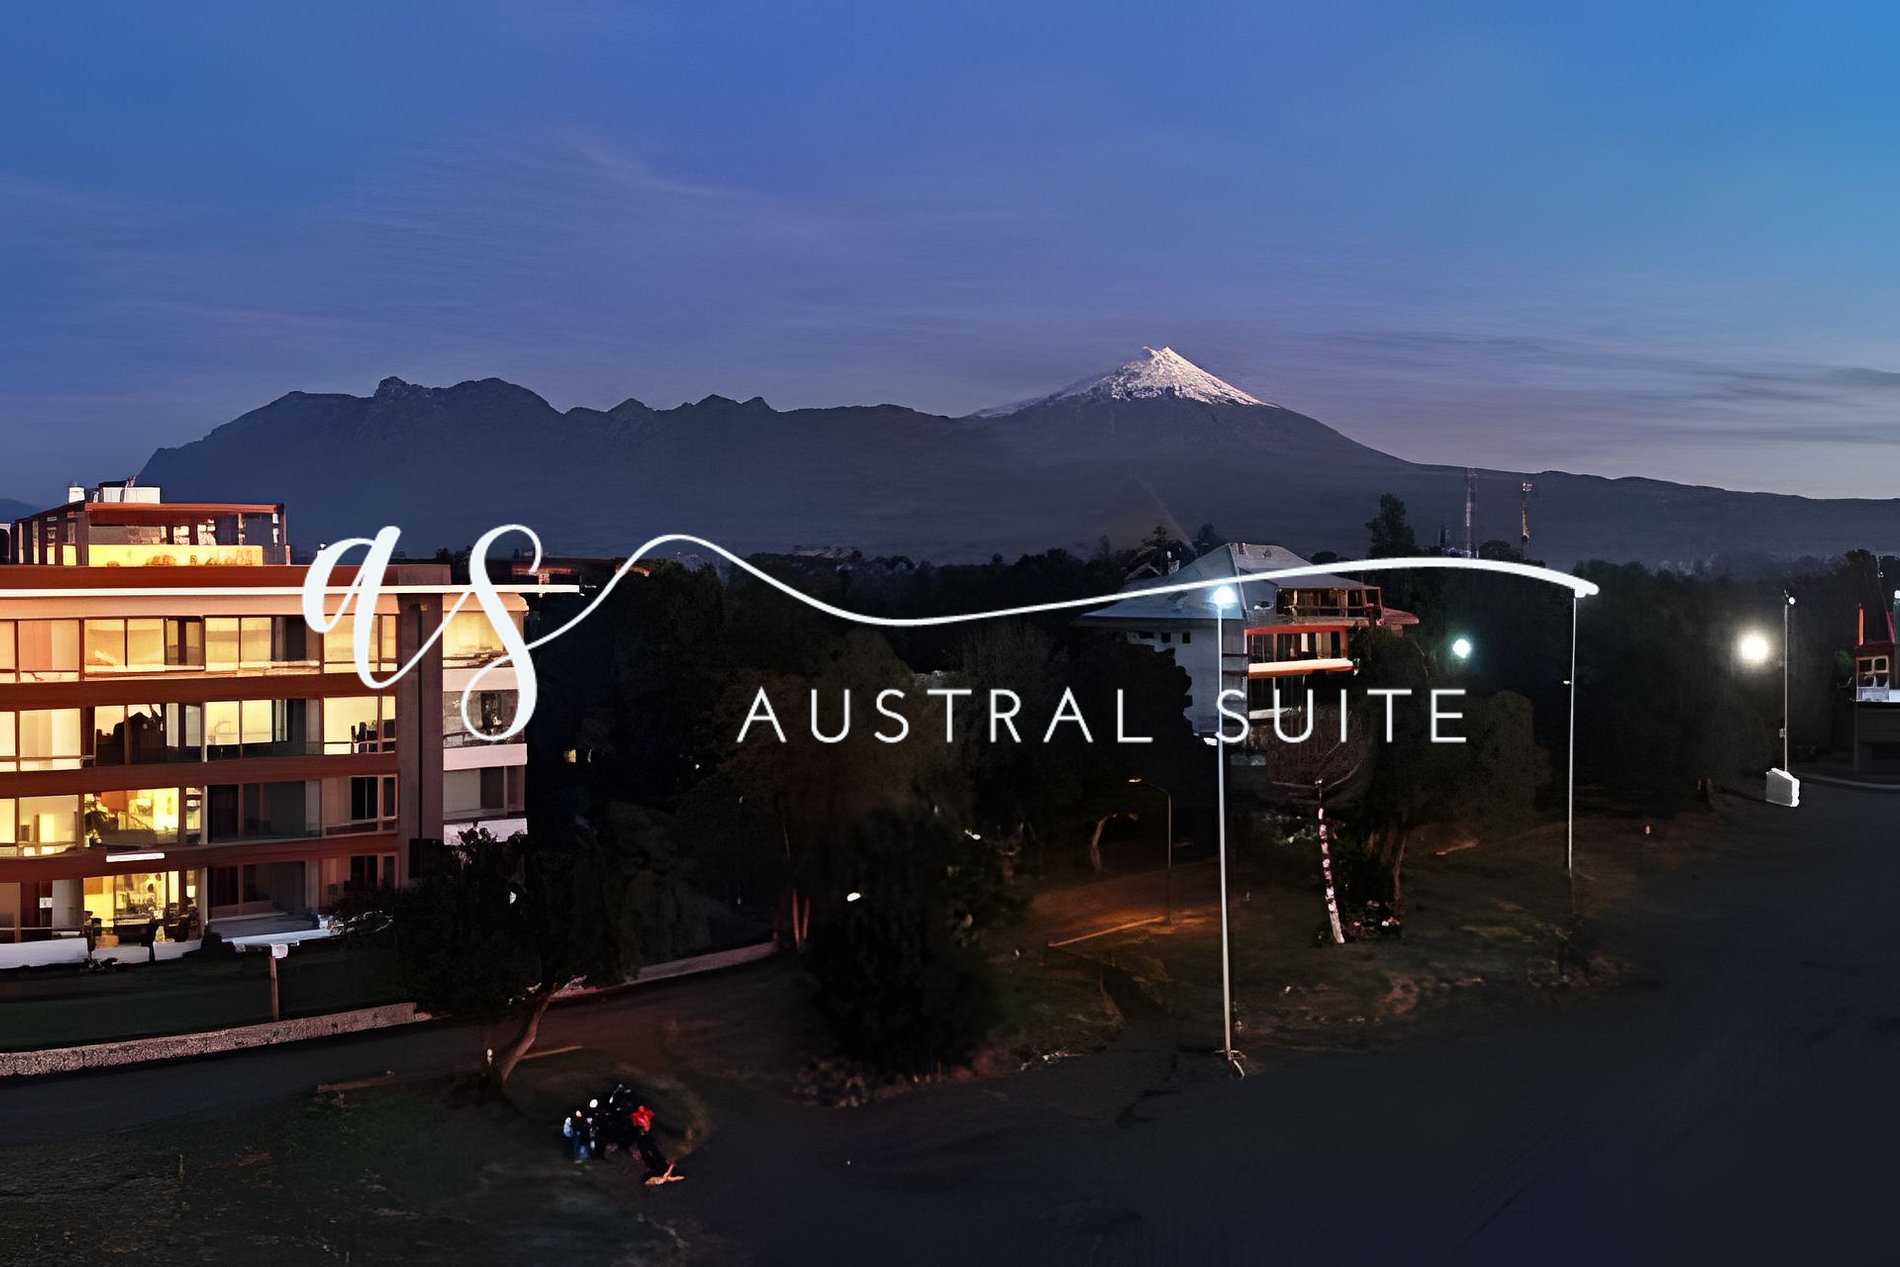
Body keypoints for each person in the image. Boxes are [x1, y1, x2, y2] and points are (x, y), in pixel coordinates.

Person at [628, 1104, 677, 1184]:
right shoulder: (637, 1115)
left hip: (646, 1134)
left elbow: (646, 1122)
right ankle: (655, 1166)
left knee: (651, 1150)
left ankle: (658, 1166)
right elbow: (636, 1124)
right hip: (643, 1134)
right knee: (647, 1150)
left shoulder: (644, 1114)